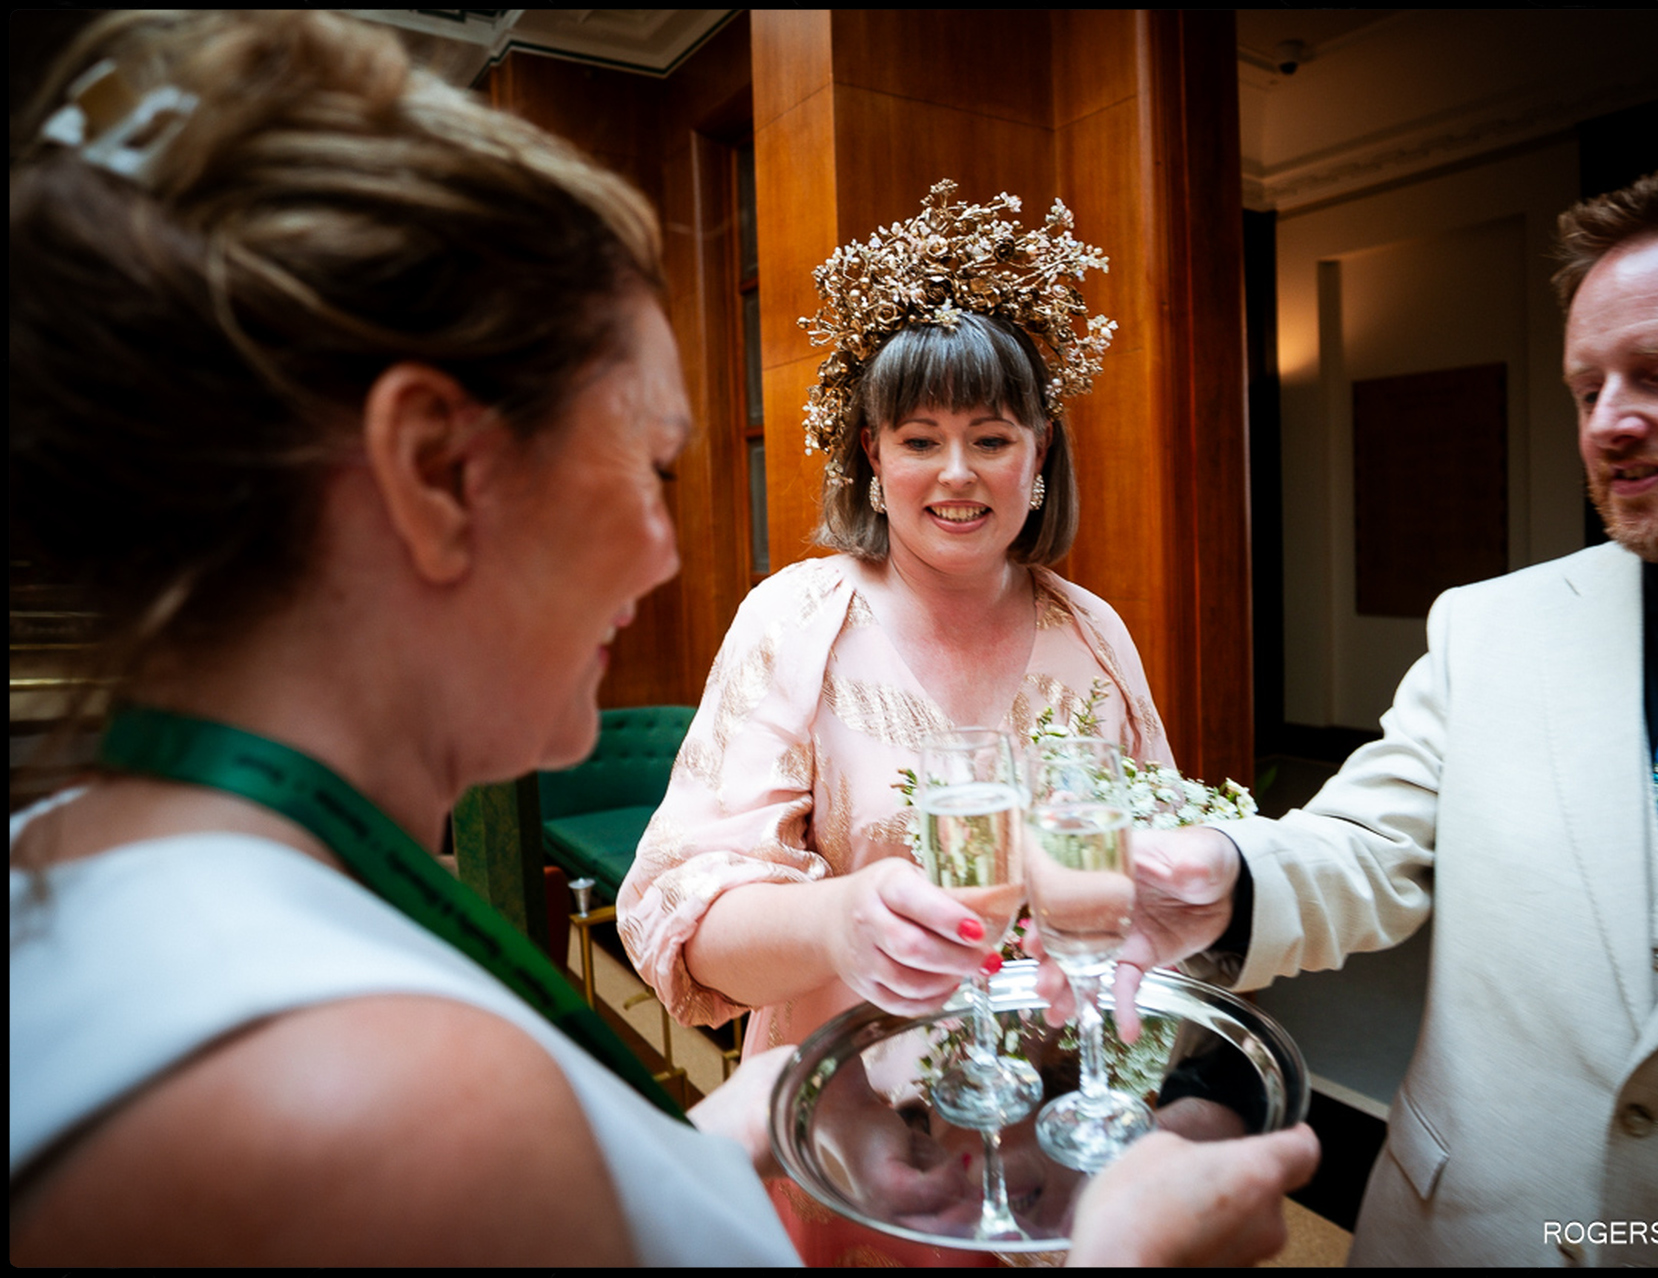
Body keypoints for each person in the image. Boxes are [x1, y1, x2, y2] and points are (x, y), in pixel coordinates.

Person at [8, 12, 1319, 1267]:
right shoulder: (378, 1098)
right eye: (645, 464)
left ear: (1042, 459)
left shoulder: (96, 866)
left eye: (992, 437)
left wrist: (740, 1127)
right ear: (430, 469)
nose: (662, 548)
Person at [1063, 164, 1658, 1266]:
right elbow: (1367, 848)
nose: (1610, 424)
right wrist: (1227, 876)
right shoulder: (1492, 628)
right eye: (1586, 387)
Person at [614, 184, 1186, 1261]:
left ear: (1041, 451)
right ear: (872, 457)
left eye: (991, 436)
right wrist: (840, 924)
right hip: (849, 1136)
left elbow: (1157, 873)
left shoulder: (1094, 633)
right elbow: (681, 918)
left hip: (1050, 1134)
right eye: (920, 438)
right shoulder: (796, 620)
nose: (958, 474)